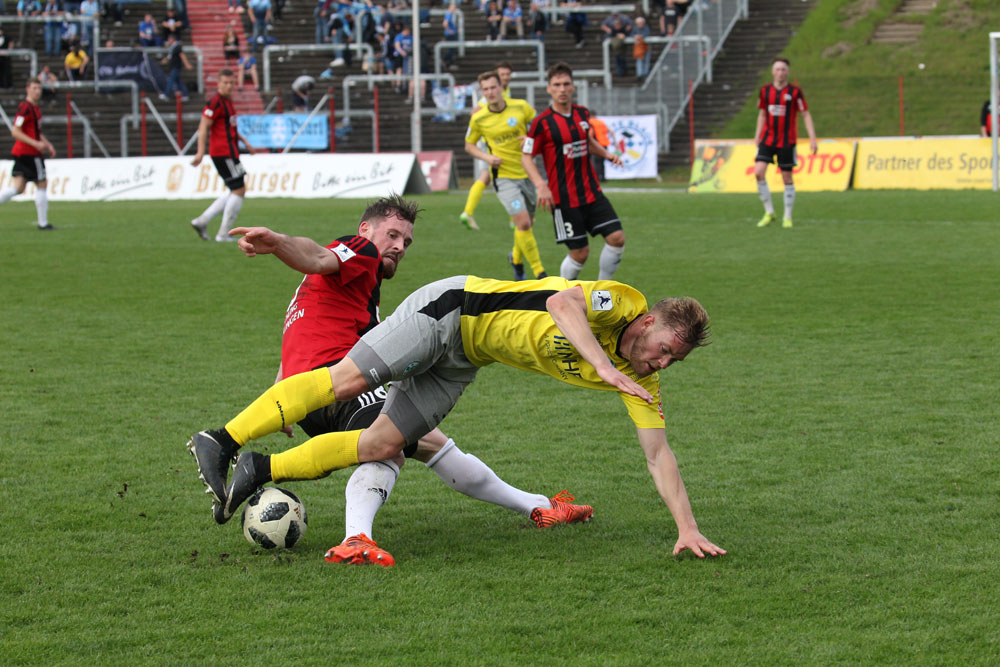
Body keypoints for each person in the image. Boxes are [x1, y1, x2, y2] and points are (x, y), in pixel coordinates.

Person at [191, 271, 726, 560]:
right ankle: (222, 438)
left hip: (465, 358)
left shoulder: (642, 380)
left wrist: (688, 528)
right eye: (663, 348)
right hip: (451, 308)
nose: (661, 362)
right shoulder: (622, 301)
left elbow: (658, 454)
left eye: (672, 360)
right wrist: (605, 370)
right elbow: (563, 305)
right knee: (347, 379)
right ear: (651, 320)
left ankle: (260, 470)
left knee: (384, 445)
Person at [188, 196, 592, 566]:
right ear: (366, 230)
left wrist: (281, 397)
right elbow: (317, 256)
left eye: (406, 241)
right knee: (388, 447)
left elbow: (298, 332)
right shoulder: (359, 252)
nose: (399, 245)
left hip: (313, 392)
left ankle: (538, 506)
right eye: (392, 234)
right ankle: (351, 534)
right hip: (337, 385)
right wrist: (278, 242)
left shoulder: (353, 286)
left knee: (432, 442)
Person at [521, 62, 627, 282]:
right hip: (563, 199)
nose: (562, 89)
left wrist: (607, 155)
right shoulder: (541, 123)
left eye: (566, 84)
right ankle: (563, 293)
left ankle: (602, 289)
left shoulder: (582, 113)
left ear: (573, 87)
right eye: (556, 85)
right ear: (549, 88)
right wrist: (541, 185)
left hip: (591, 192)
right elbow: (526, 156)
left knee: (617, 238)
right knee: (580, 253)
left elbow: (587, 142)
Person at [465, 70, 547, 281]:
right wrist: (486, 157)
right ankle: (540, 273)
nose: (490, 92)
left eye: (493, 87)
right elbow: (469, 145)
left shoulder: (521, 107)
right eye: (485, 89)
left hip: (527, 172)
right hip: (503, 178)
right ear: (482, 92)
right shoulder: (479, 118)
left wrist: (529, 136)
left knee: (526, 224)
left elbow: (542, 128)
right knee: (523, 223)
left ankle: (516, 259)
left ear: (501, 88)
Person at [189, 68, 255, 242]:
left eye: (231, 82)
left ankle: (202, 221)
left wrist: (245, 143)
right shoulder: (215, 103)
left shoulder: (228, 102)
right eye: (225, 83)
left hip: (231, 152)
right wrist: (200, 152)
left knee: (235, 189)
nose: (228, 86)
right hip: (223, 152)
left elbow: (229, 128)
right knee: (239, 189)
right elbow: (203, 127)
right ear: (218, 84)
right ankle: (223, 234)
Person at [753, 56, 817, 229]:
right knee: (758, 172)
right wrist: (757, 135)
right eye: (777, 69)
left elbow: (805, 114)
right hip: (768, 139)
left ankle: (787, 216)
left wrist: (812, 138)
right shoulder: (765, 91)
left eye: (783, 69)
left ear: (787, 72)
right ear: (773, 72)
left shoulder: (795, 92)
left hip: (787, 141)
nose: (780, 72)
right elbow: (762, 114)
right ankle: (769, 212)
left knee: (787, 177)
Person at [458, 60, 513, 232]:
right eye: (502, 75)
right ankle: (514, 216)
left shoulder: (505, 91)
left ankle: (468, 212)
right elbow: (476, 112)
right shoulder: (489, 95)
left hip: (499, 141)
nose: (505, 77)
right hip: (491, 142)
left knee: (486, 177)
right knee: (499, 176)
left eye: (507, 74)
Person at [0, 78, 57, 230]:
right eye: (34, 88)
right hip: (30, 153)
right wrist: (36, 144)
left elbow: (36, 132)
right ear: (27, 89)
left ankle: (43, 223)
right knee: (42, 183)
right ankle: (43, 223)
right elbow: (15, 131)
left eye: (39, 88)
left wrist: (47, 144)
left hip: (21, 153)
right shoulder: (25, 108)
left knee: (17, 188)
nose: (37, 91)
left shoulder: (34, 108)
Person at [159, 33, 192, 101]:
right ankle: (185, 94)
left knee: (171, 80)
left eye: (169, 39)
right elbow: (170, 56)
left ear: (172, 39)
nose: (168, 40)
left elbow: (182, 55)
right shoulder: (172, 47)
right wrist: (164, 60)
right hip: (173, 66)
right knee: (178, 81)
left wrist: (187, 64)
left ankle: (166, 94)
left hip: (176, 66)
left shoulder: (177, 47)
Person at [633, 15, 651, 80]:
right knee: (639, 60)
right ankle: (640, 73)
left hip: (646, 46)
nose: (640, 24)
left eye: (641, 23)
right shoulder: (635, 29)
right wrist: (635, 36)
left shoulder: (646, 28)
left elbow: (647, 34)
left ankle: (646, 73)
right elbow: (632, 34)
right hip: (639, 47)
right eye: (639, 23)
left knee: (647, 60)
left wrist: (641, 36)